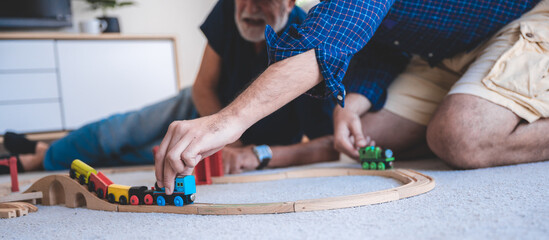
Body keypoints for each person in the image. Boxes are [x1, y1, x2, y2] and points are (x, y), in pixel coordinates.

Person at [154, 0, 549, 194]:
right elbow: (385, 45)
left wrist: (228, 122)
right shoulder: (229, 16)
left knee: (457, 135)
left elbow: (327, 41)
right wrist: (353, 105)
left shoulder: (304, 20)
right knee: (370, 137)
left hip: (522, 17)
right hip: (439, 49)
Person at [2, 0, 338, 175]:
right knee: (117, 132)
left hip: (249, 143)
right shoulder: (226, 10)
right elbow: (203, 86)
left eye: (263, 0)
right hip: (201, 109)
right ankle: (44, 159)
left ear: (290, 3)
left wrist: (256, 155)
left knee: (144, 158)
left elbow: (328, 146)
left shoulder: (310, 41)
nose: (249, 8)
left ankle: (49, 152)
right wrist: (223, 135)